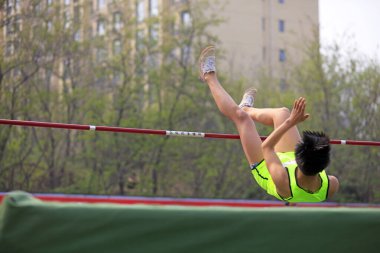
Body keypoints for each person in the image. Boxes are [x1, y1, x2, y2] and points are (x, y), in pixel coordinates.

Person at [198, 46, 339, 202]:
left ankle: (208, 76)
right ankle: (247, 108)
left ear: (300, 158)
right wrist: (288, 120)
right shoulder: (331, 183)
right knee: (282, 113)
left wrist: (290, 123)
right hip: (289, 161)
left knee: (242, 118)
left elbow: (267, 148)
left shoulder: (283, 182)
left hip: (266, 166)